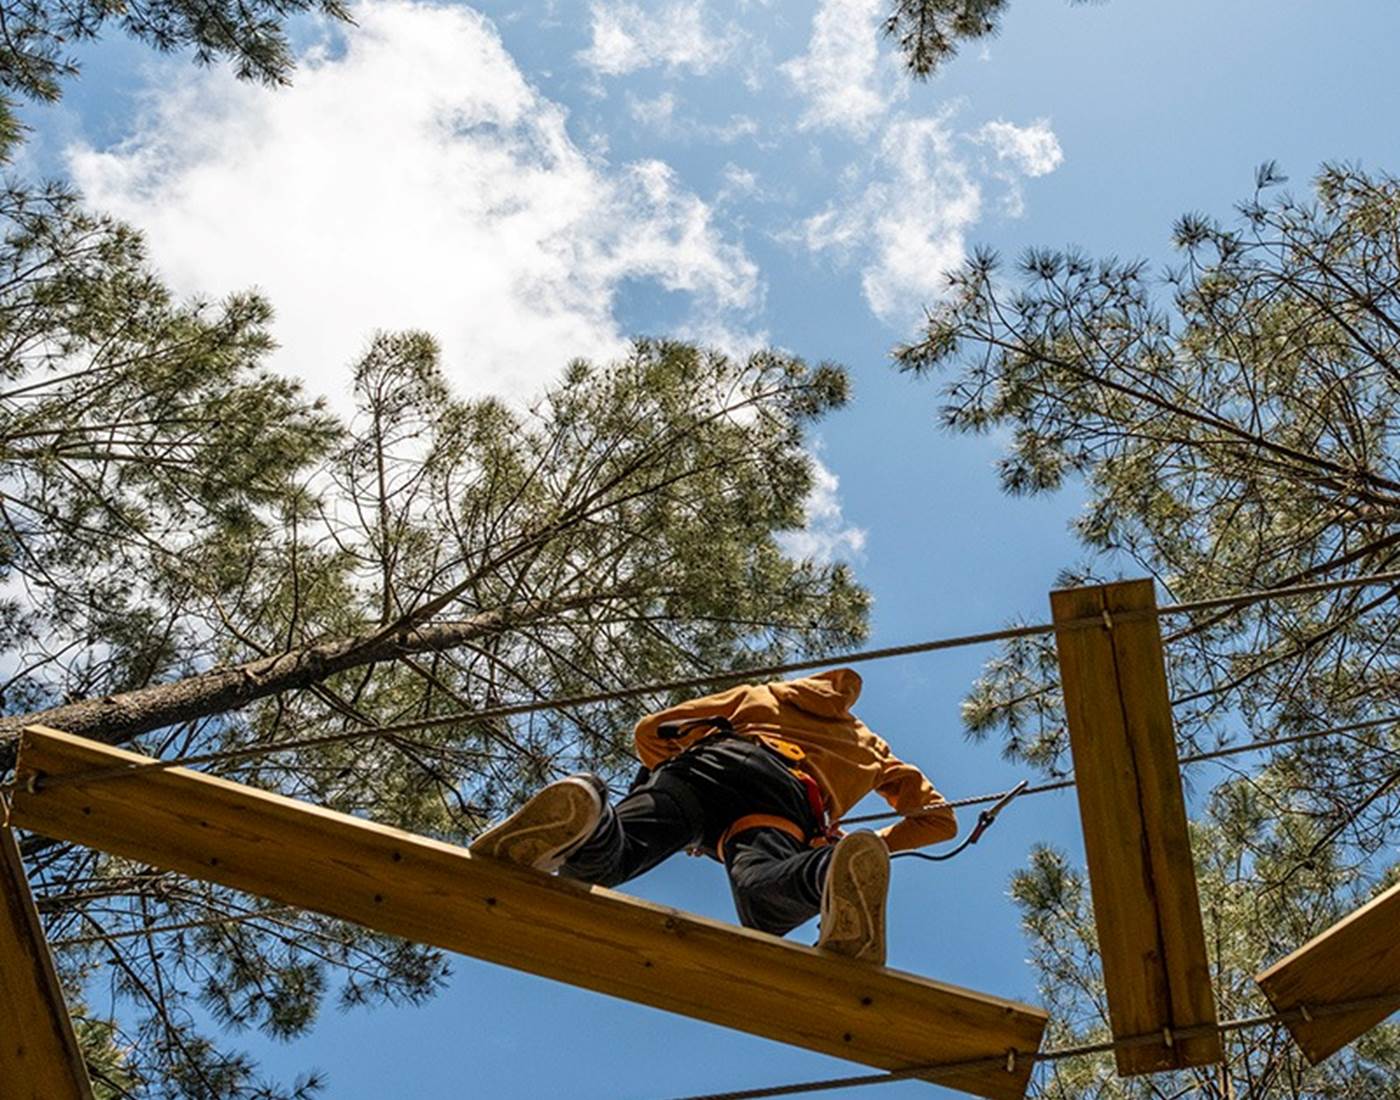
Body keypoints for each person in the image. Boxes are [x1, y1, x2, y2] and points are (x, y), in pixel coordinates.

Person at [469, 667, 957, 965]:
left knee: (613, 854)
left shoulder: (762, 695)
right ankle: (828, 872)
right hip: (783, 803)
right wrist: (871, 846)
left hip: (707, 768)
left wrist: (668, 765)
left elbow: (651, 729)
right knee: (766, 897)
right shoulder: (872, 747)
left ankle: (588, 814)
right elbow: (939, 820)